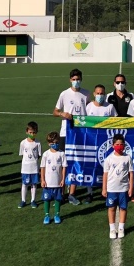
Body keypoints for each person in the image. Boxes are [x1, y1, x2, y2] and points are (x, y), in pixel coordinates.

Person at [53, 68, 89, 206]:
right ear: (70, 80)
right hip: (65, 133)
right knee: (63, 163)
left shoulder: (86, 94)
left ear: (81, 79)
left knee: (76, 162)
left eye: (78, 79)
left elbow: (89, 111)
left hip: (80, 133)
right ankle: (60, 193)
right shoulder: (64, 94)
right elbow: (55, 111)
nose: (76, 82)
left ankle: (72, 193)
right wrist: (63, 114)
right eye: (73, 79)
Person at [102, 133, 134, 239]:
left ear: (124, 145)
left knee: (123, 208)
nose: (119, 146)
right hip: (111, 189)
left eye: (121, 144)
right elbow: (105, 174)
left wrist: (131, 187)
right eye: (117, 144)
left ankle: (121, 228)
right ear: (113, 145)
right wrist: (104, 188)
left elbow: (131, 173)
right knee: (111, 208)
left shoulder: (127, 158)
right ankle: (112, 229)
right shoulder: (109, 159)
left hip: (123, 188)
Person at [41, 131, 66, 224]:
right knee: (46, 199)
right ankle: (47, 215)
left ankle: (57, 215)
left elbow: (64, 168)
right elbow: (42, 167)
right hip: (48, 183)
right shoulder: (45, 154)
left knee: (58, 199)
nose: (55, 145)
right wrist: (42, 180)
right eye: (52, 143)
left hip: (58, 182)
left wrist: (63, 179)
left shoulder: (62, 154)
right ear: (48, 143)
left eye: (56, 143)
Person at [19, 121, 42, 209]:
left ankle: (33, 200)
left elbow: (39, 155)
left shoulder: (38, 143)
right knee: (24, 184)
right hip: (25, 167)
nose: (32, 134)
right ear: (27, 132)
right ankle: (23, 200)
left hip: (34, 167)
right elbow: (22, 154)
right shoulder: (23, 143)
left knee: (34, 184)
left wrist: (35, 162)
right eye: (30, 132)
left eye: (34, 132)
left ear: (36, 132)